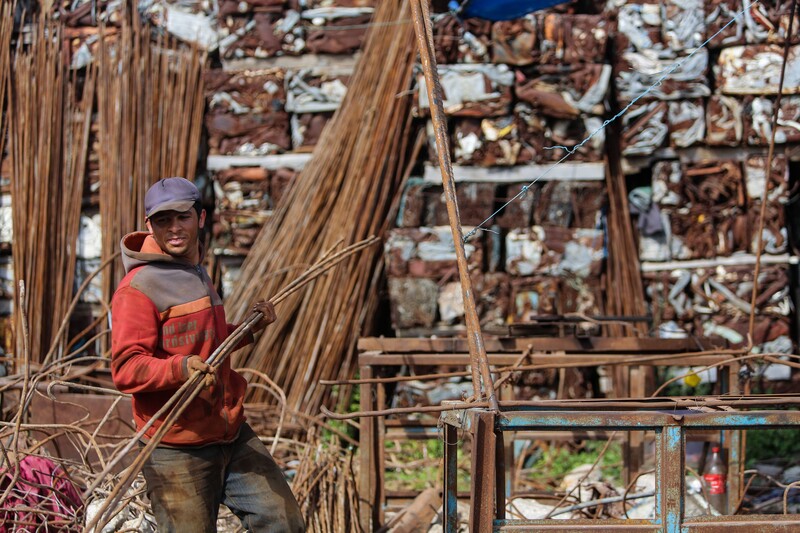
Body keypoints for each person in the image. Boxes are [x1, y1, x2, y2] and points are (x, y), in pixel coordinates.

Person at [110, 177, 304, 533]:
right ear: (148, 223)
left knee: (284, 523)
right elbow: (126, 368)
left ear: (200, 218)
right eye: (162, 221)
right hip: (176, 445)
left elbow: (206, 346)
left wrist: (247, 329)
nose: (173, 228)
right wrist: (180, 369)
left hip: (229, 433)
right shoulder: (138, 288)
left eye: (182, 217)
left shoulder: (196, 270)